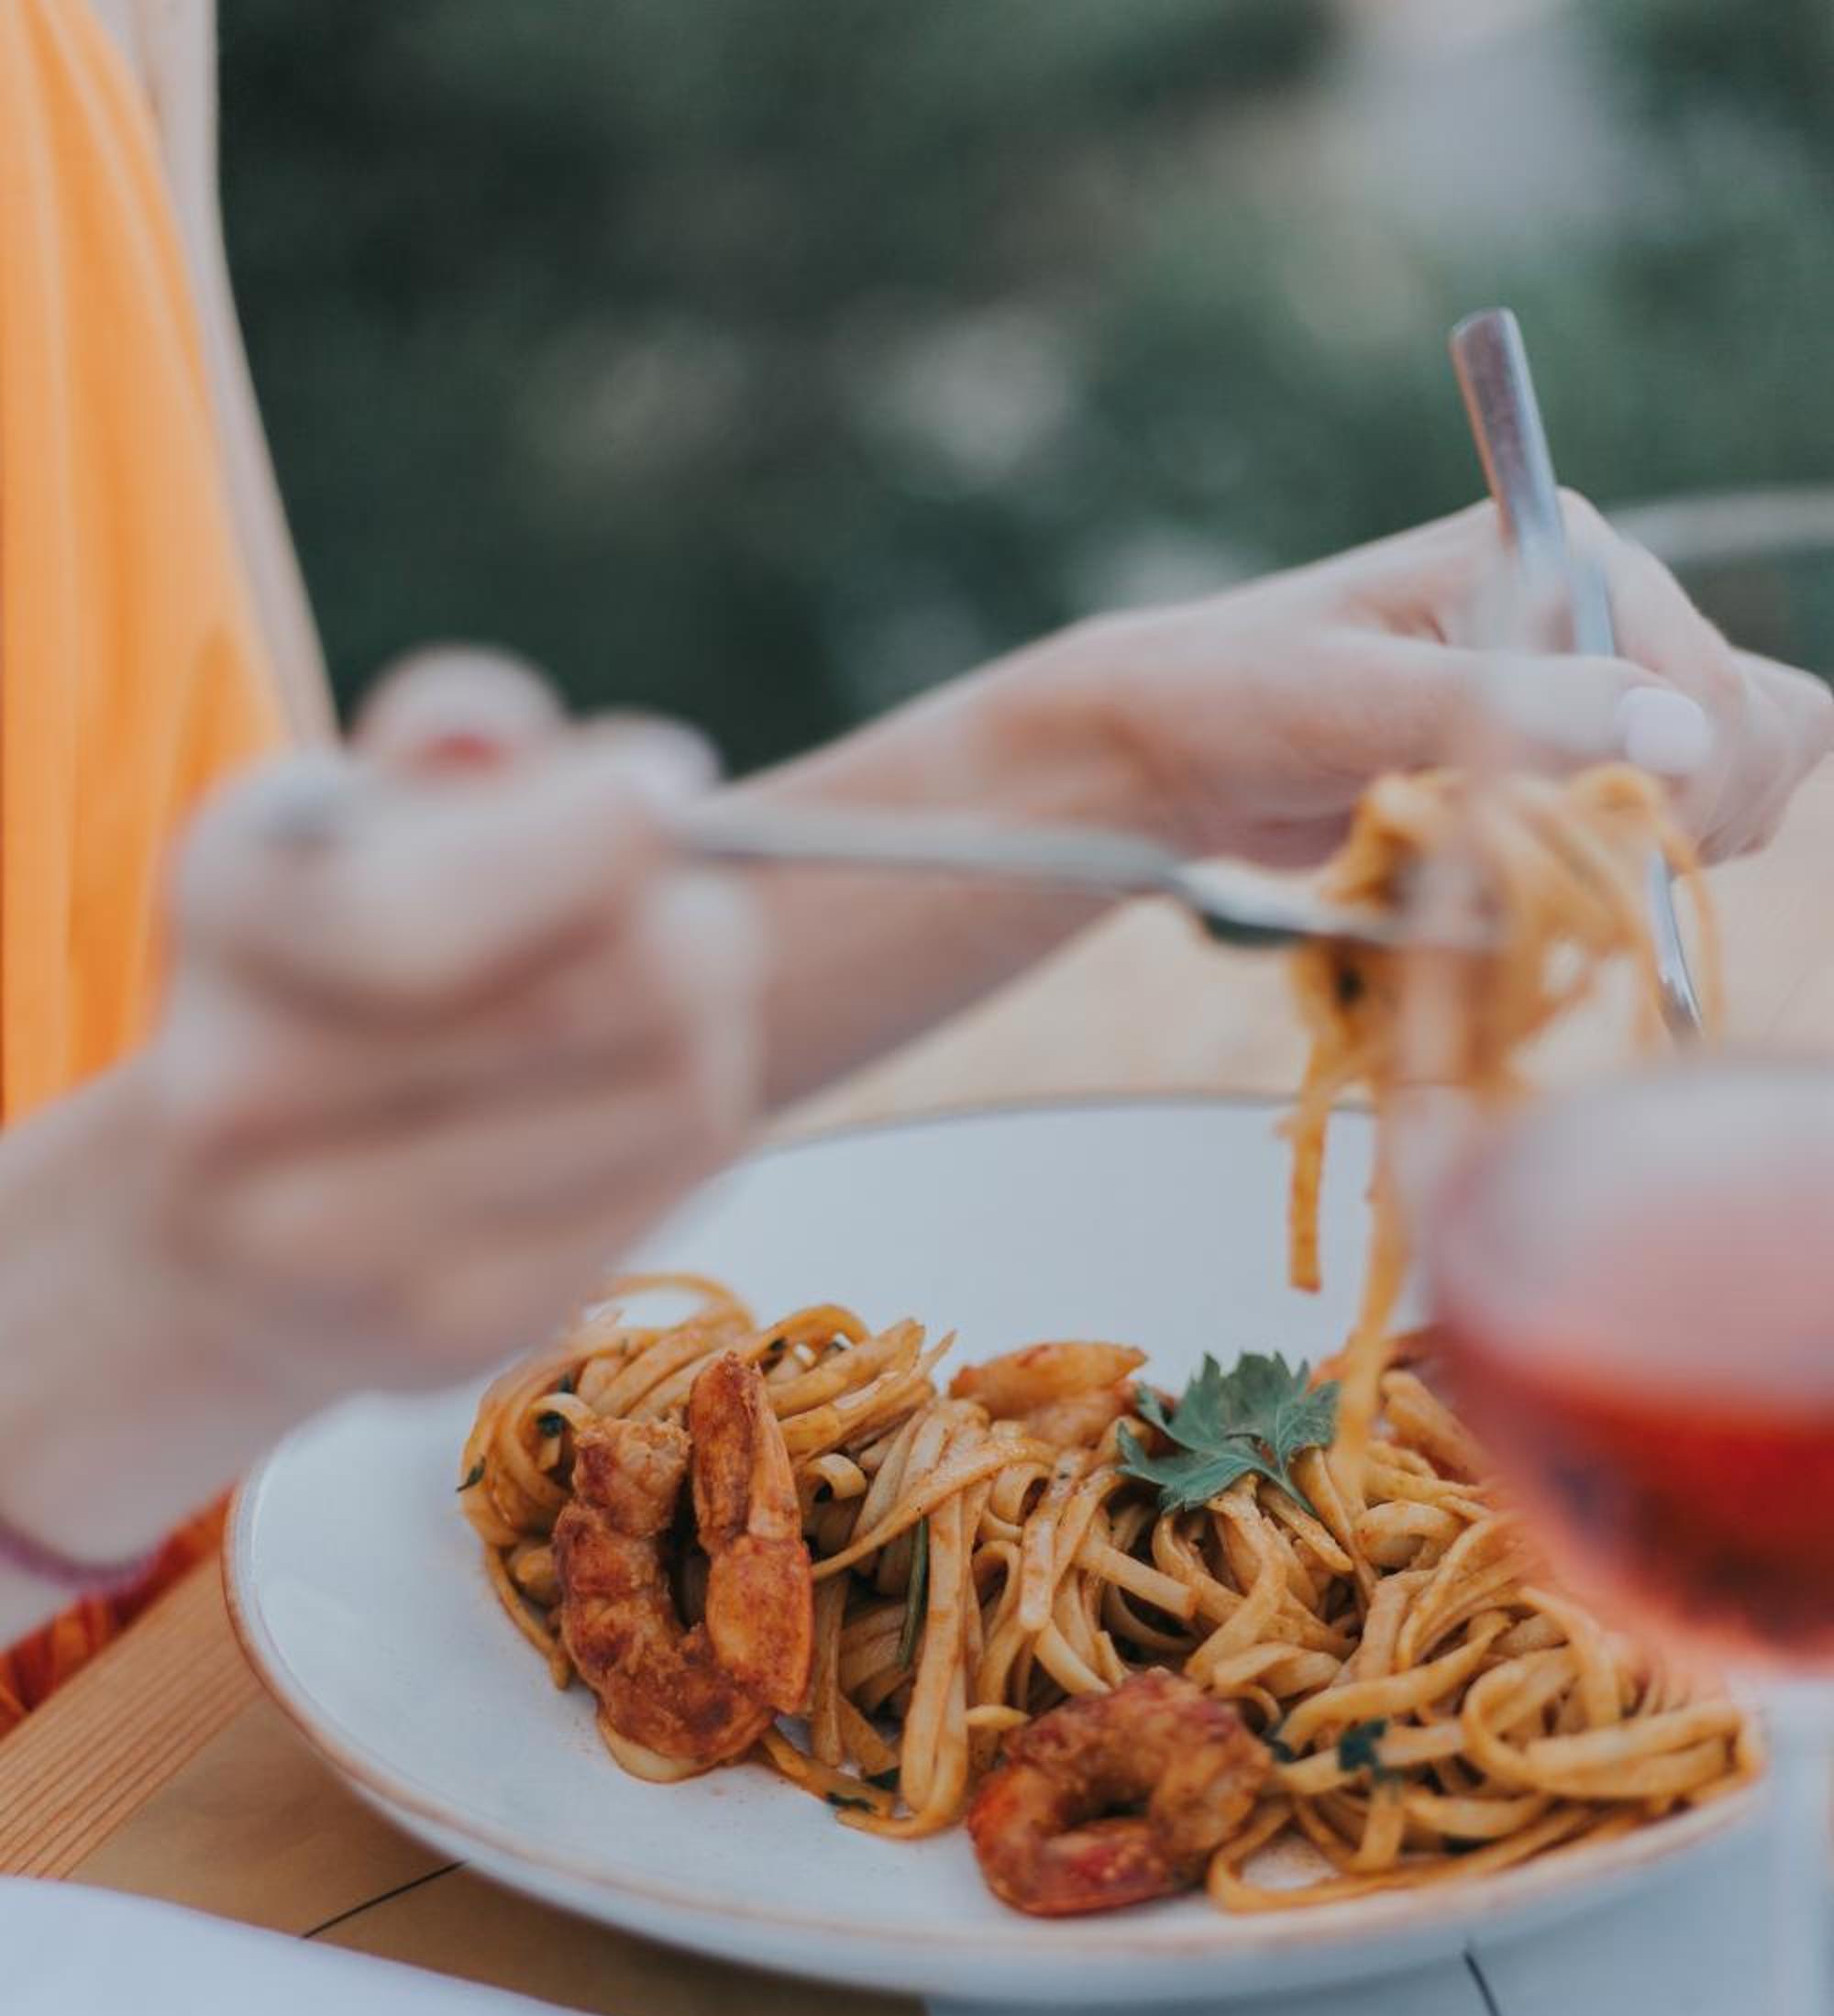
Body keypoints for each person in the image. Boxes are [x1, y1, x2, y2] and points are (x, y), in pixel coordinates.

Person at [0, 0, 1826, 1674]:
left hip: (217, 1632)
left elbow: (256, 965)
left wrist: (1128, 745)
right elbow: (203, 1187)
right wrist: (156, 1290)